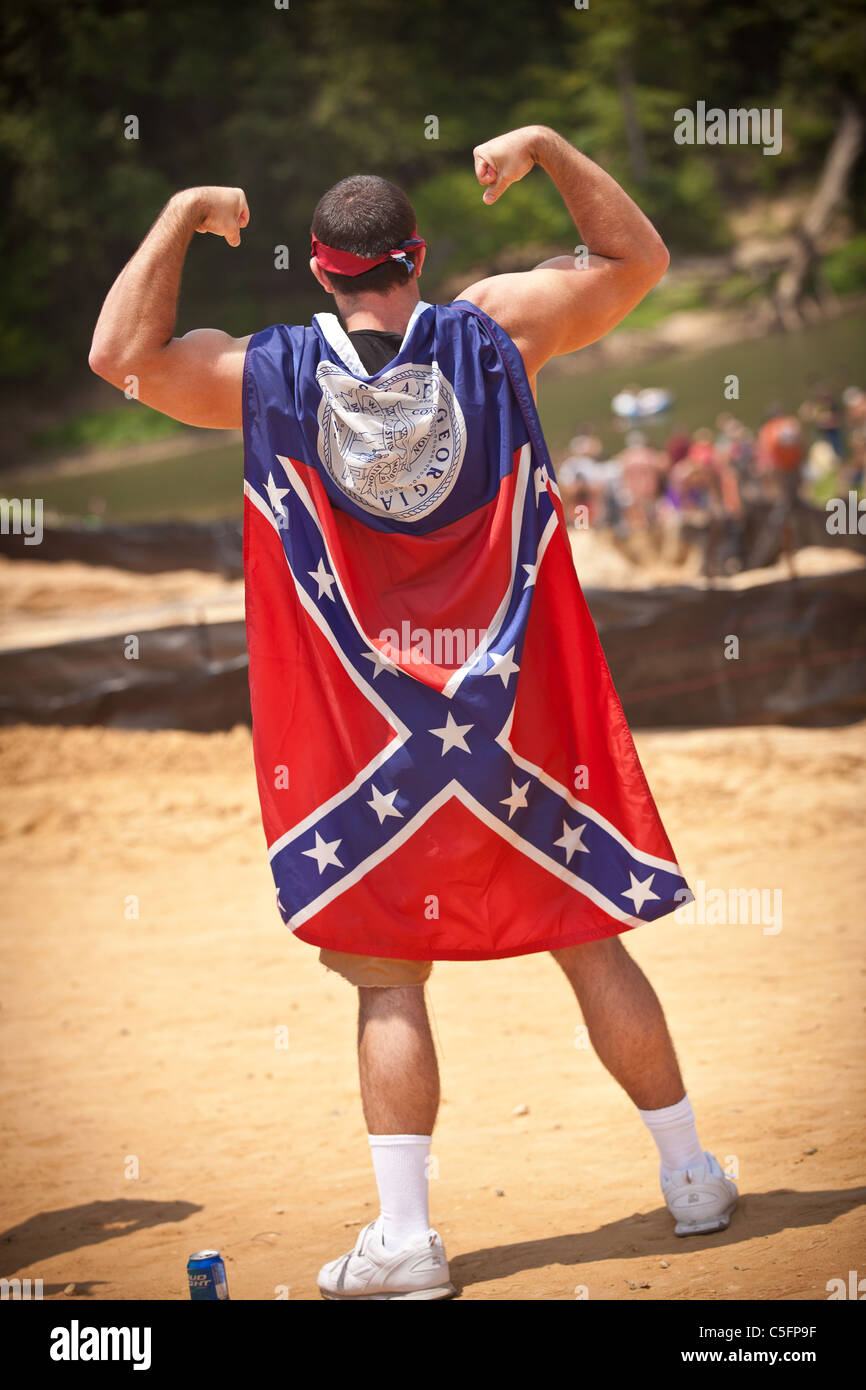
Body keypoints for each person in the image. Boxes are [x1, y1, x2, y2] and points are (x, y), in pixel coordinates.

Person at [89, 124, 736, 1301]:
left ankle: (410, 1241)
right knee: (589, 942)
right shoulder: (498, 327)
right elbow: (637, 260)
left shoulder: (265, 374)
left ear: (318, 269)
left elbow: (118, 356)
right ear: (418, 256)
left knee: (389, 981)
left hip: (368, 746)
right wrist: (545, 147)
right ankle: (689, 1175)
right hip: (511, 719)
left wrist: (184, 211)